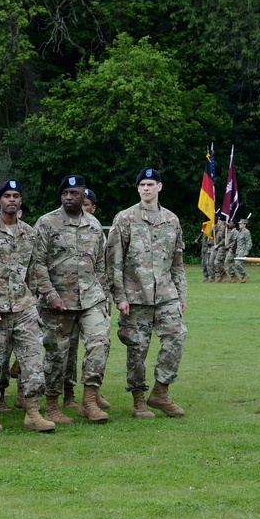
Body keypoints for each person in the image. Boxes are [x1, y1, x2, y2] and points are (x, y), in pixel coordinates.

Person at [0, 179, 54, 433]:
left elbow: (34, 269)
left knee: (33, 360)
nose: (11, 199)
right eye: (6, 195)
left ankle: (32, 411)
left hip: (23, 307)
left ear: (20, 202)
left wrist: (34, 298)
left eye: (16, 195)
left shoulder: (30, 233)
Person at [107, 168, 187, 418]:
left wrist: (181, 294)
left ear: (159, 187)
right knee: (137, 349)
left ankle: (161, 391)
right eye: (142, 185)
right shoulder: (125, 218)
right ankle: (139, 399)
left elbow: (177, 262)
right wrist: (119, 296)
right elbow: (114, 261)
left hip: (166, 294)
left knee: (176, 337)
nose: (146, 188)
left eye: (150, 184)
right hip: (135, 296)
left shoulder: (172, 220)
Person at [34, 174, 111, 423]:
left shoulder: (94, 224)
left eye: (74, 193)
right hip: (58, 302)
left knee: (100, 343)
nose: (69, 197)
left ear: (83, 195)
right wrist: (49, 295)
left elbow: (100, 263)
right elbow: (37, 264)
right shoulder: (47, 223)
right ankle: (53, 405)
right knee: (57, 354)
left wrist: (102, 295)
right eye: (65, 193)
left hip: (91, 299)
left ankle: (89, 400)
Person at [232, 218, 252, 283]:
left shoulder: (246, 232)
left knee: (237, 263)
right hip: (238, 250)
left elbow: (249, 242)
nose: (239, 225)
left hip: (242, 250)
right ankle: (243, 277)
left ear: (244, 225)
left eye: (241, 224)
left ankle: (245, 274)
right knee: (239, 264)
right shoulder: (239, 232)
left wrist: (246, 251)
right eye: (239, 223)